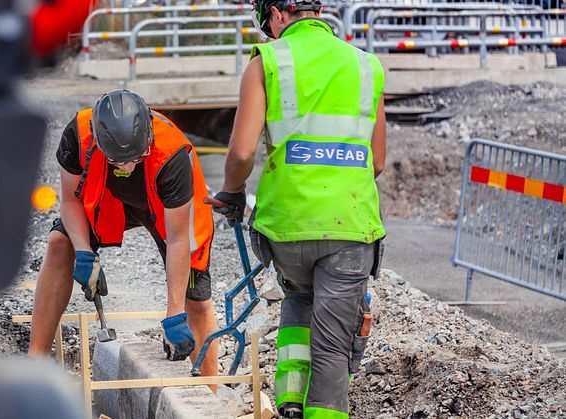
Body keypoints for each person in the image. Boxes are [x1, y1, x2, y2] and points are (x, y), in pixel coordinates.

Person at [211, 0, 387, 417]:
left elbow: (241, 152)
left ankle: (290, 400)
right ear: (319, 10)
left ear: (274, 15)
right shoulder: (367, 66)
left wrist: (232, 192)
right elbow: (377, 162)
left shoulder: (266, 60)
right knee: (331, 347)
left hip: (286, 230)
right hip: (349, 227)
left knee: (299, 296)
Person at [28, 89, 219, 384]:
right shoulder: (78, 136)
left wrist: (174, 314)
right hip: (108, 196)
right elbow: (70, 202)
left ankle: (208, 396)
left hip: (164, 203)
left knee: (196, 298)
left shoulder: (173, 153)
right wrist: (83, 252)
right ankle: (35, 363)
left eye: (136, 157)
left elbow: (179, 239)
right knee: (59, 243)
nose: (129, 166)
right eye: (119, 160)